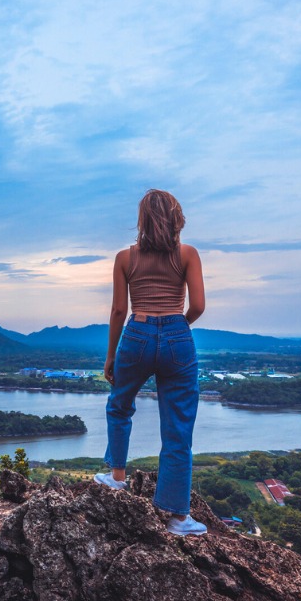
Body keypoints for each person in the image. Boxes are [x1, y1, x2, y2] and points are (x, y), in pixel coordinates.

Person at [94, 189, 207, 536]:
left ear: (142, 221)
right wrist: (175, 326)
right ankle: (175, 517)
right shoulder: (187, 254)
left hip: (138, 334)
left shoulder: (125, 258)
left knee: (120, 404)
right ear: (177, 219)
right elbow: (199, 305)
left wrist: (111, 354)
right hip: (177, 333)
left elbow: (117, 311)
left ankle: (116, 478)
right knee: (178, 426)